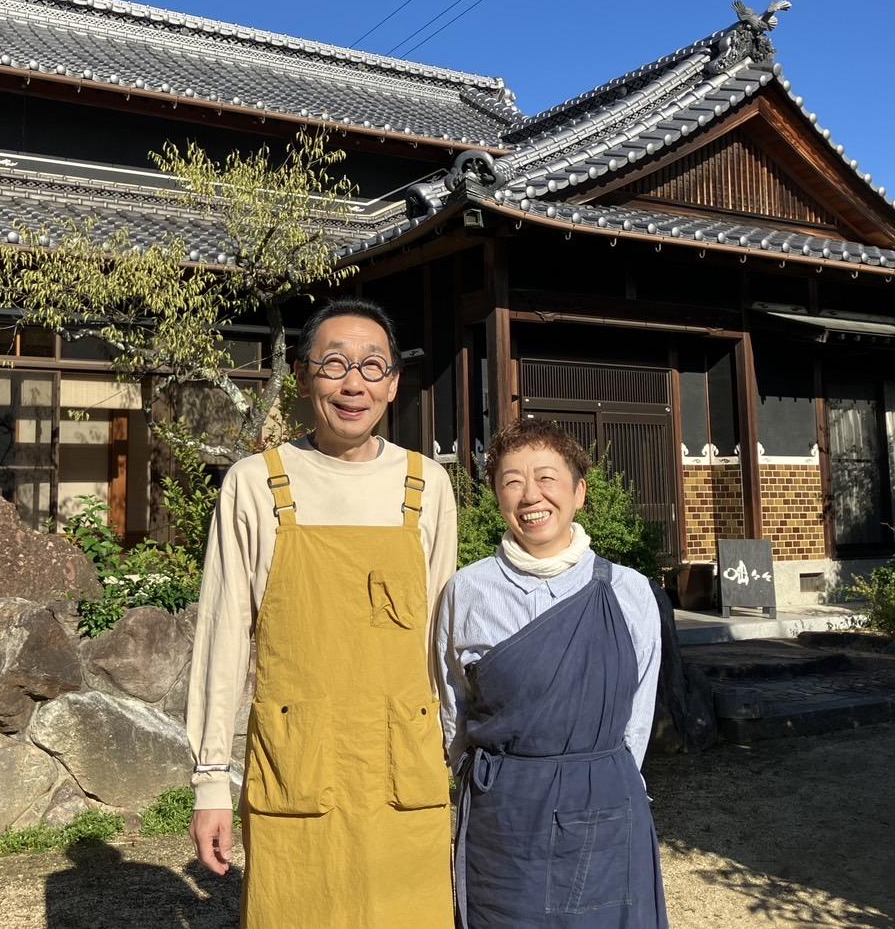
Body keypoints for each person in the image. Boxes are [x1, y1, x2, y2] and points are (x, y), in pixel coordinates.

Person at [185, 297, 457, 928]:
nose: (352, 383)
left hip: (405, 767)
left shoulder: (427, 486)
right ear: (304, 377)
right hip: (298, 764)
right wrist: (210, 783)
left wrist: (459, 754)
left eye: (371, 365)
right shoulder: (256, 483)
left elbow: (445, 642)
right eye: (333, 364)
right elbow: (222, 638)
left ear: (392, 383)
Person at [435, 418, 668, 928]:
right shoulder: (466, 592)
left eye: (547, 477)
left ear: (579, 492)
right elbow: (450, 708)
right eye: (512, 481)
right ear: (497, 497)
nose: (530, 495)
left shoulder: (628, 592)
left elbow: (638, 712)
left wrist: (607, 776)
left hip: (603, 796)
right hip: (505, 812)